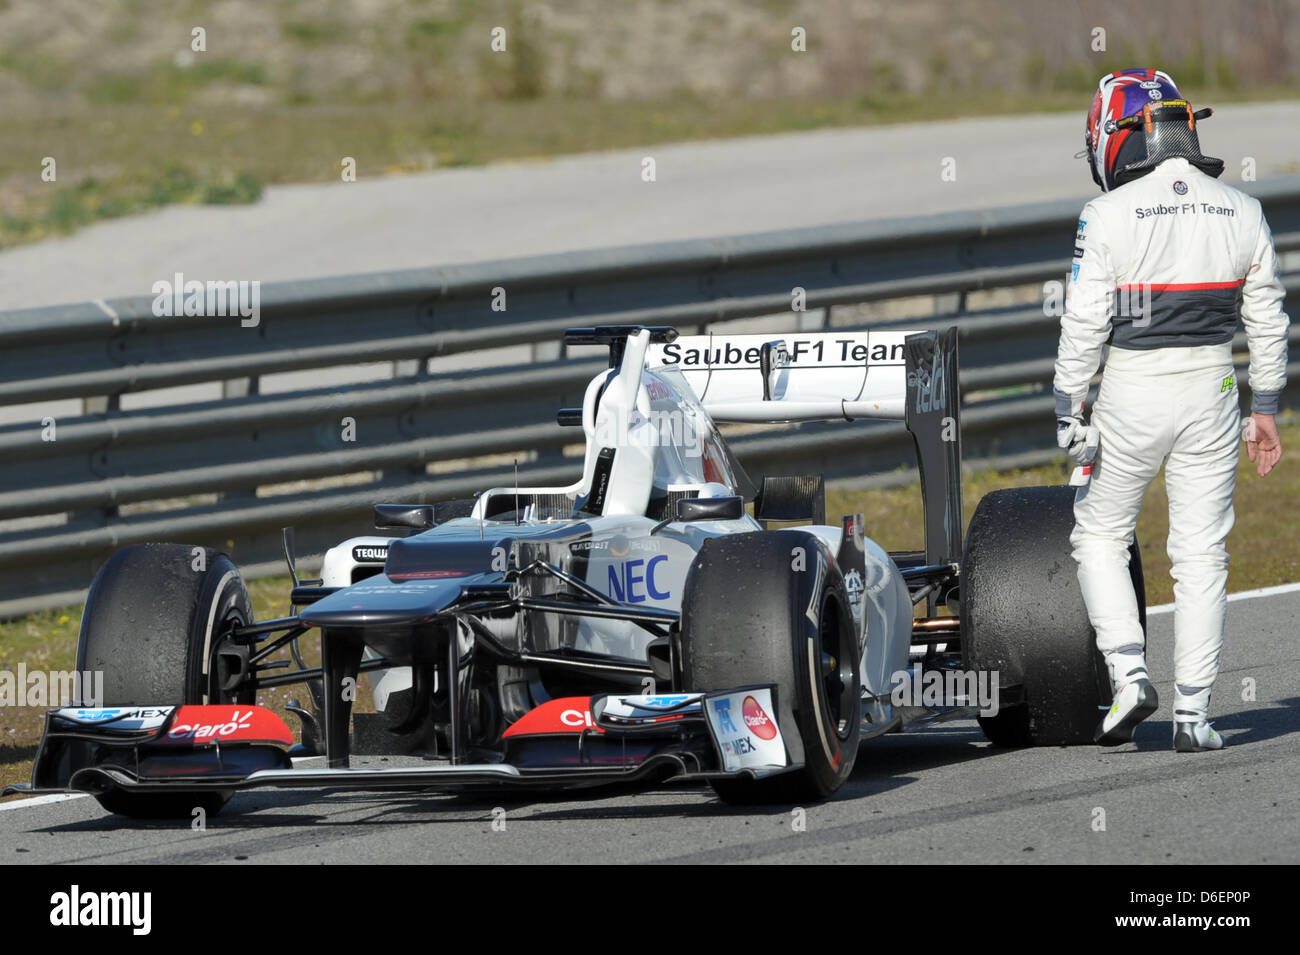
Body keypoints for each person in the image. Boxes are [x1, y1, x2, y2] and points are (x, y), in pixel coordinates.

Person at [1053, 69, 1288, 752]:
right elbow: (1268, 322)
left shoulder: (1107, 215)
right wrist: (1265, 409)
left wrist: (1070, 407)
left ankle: (1129, 675)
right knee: (1202, 552)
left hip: (1132, 389)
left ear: (1117, 135)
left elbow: (1083, 324)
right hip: (1214, 389)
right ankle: (1194, 715)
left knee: (1099, 534)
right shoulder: (1242, 208)